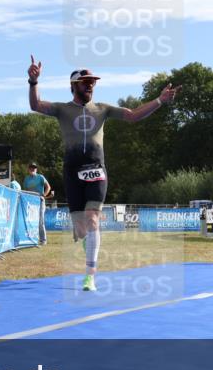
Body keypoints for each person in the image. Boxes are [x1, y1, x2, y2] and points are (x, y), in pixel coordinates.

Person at [28, 55, 180, 291]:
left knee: (92, 219)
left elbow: (133, 115)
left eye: (93, 82)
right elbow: (36, 105)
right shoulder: (61, 109)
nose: (91, 85)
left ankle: (90, 276)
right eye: (86, 82)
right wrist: (33, 82)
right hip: (72, 170)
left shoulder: (103, 109)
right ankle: (89, 242)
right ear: (74, 85)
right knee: (81, 229)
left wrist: (159, 100)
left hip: (96, 169)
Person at [22, 162, 53, 245]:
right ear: (28, 169)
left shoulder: (40, 177)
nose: (33, 169)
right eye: (31, 168)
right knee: (31, 220)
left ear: (36, 169)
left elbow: (48, 187)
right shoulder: (26, 179)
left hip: (40, 201)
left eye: (34, 168)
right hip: (30, 202)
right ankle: (31, 238)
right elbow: (25, 190)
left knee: (40, 221)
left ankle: (43, 240)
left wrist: (44, 195)